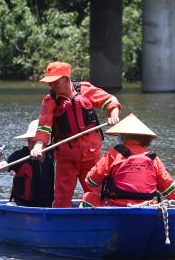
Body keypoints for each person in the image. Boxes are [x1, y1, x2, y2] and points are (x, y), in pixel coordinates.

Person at [29, 61, 122, 208]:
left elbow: (110, 100)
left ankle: (98, 223)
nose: (51, 86)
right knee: (62, 196)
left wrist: (114, 113)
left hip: (91, 155)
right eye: (50, 82)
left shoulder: (85, 89)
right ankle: (61, 223)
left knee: (95, 193)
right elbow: (44, 126)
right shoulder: (50, 100)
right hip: (66, 157)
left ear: (66, 79)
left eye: (54, 82)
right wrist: (38, 145)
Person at [82, 113, 175, 208]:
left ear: (122, 137)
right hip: (148, 207)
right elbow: (170, 188)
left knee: (89, 197)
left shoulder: (114, 154)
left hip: (117, 206)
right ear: (145, 139)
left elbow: (91, 180)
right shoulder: (153, 158)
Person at [0, 119, 55, 207]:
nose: (30, 145)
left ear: (44, 141)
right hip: (24, 205)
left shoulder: (55, 154)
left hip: (51, 205)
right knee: (10, 206)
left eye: (33, 142)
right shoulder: (20, 155)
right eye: (29, 141)